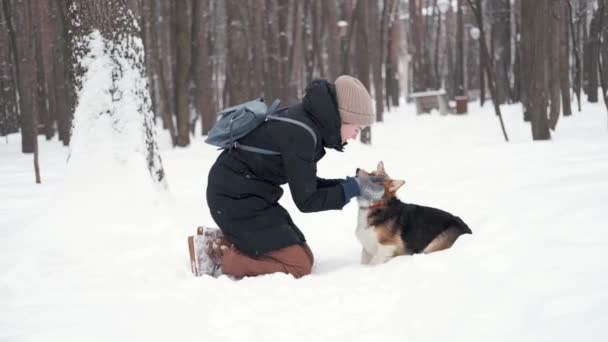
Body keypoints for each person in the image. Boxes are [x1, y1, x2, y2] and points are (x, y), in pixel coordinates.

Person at [204, 75, 383, 279]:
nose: (355, 136)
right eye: (356, 128)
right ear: (342, 117)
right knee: (298, 266)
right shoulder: (302, 133)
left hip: (251, 196)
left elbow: (308, 185)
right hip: (235, 199)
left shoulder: (307, 124)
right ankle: (220, 259)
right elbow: (307, 200)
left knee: (305, 256)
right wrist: (354, 188)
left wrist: (352, 184)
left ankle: (220, 243)